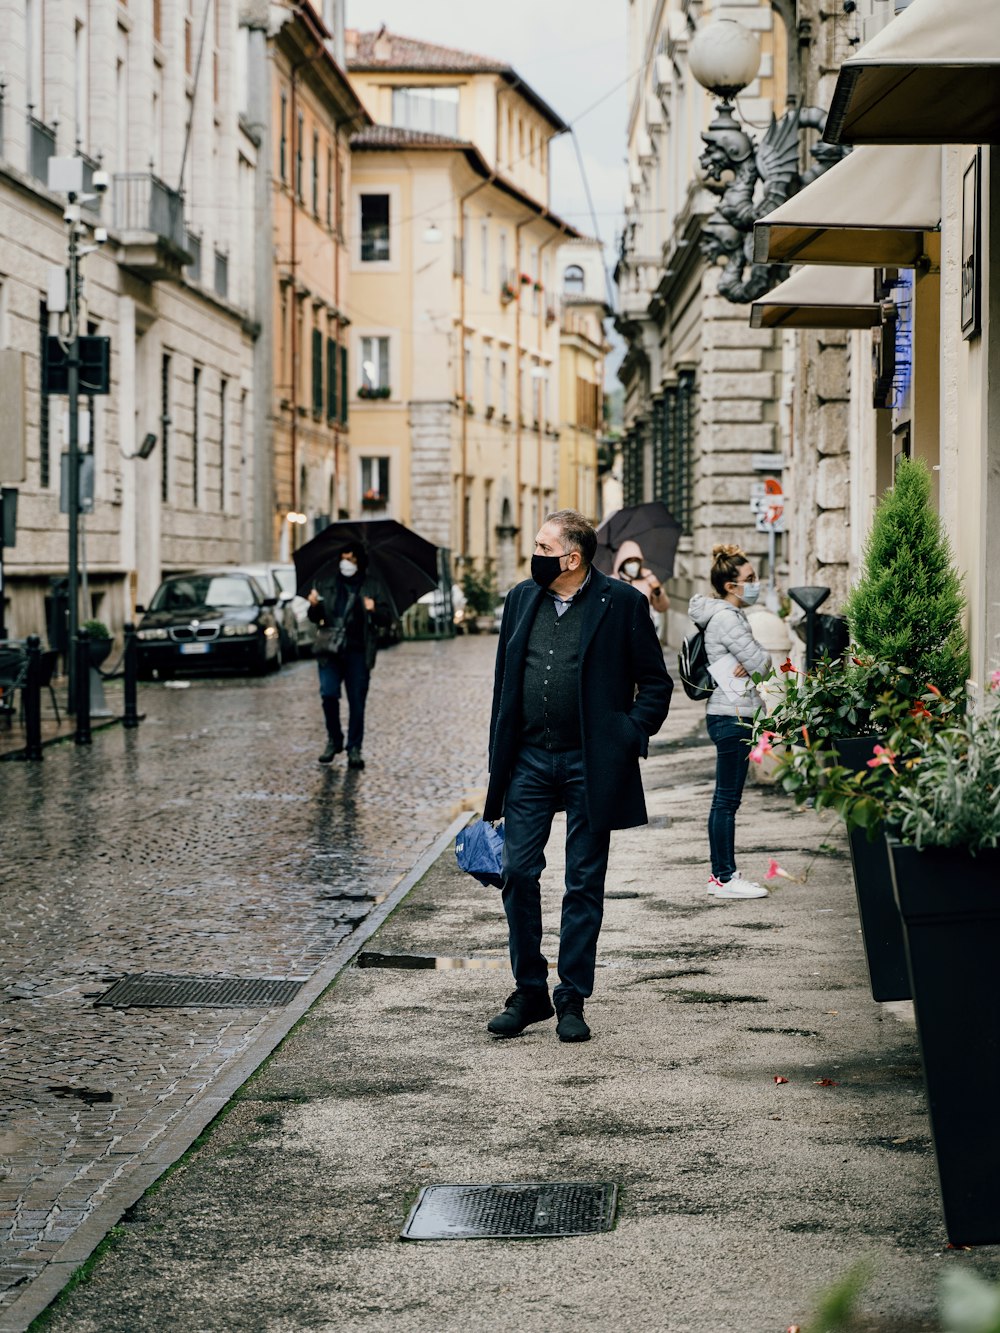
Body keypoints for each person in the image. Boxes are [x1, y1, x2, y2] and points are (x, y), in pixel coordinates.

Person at [483, 509, 673, 1043]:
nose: (534, 554)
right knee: (517, 872)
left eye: (543, 547)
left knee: (583, 882)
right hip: (529, 761)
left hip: (592, 764)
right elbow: (505, 680)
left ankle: (571, 997)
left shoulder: (622, 605)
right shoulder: (522, 598)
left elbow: (655, 685)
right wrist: (500, 754)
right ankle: (530, 992)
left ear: (572, 557)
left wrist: (628, 736)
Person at [688, 543, 772, 900]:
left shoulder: (727, 616)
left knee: (726, 799)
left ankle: (722, 874)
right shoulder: (726, 618)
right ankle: (723, 877)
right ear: (730, 586)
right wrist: (755, 663)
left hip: (730, 713)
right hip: (732, 715)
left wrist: (752, 663)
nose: (756, 584)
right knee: (726, 800)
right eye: (749, 579)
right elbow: (763, 664)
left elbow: (754, 664)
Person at [307, 547, 393, 769]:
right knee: (328, 694)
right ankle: (334, 740)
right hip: (330, 651)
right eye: (343, 559)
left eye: (351, 559)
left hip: (358, 651)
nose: (346, 563)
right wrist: (314, 606)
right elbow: (316, 618)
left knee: (356, 702)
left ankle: (354, 748)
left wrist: (373, 610)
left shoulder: (372, 585)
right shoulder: (326, 583)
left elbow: (386, 619)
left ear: (360, 562)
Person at [613, 540, 670, 618]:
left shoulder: (648, 579)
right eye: (630, 561)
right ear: (622, 562)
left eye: (636, 560)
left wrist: (658, 592)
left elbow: (662, 608)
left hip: (643, 625)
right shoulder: (612, 581)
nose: (633, 564)